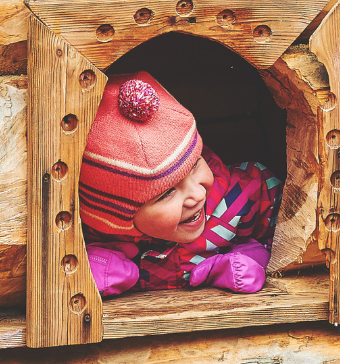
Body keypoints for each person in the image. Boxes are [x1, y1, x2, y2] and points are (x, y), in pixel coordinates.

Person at [78, 71, 282, 296]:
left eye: (195, 164)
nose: (196, 194)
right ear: (115, 218)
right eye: (166, 193)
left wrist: (255, 255)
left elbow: (290, 237)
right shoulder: (96, 235)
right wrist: (95, 266)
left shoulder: (247, 196)